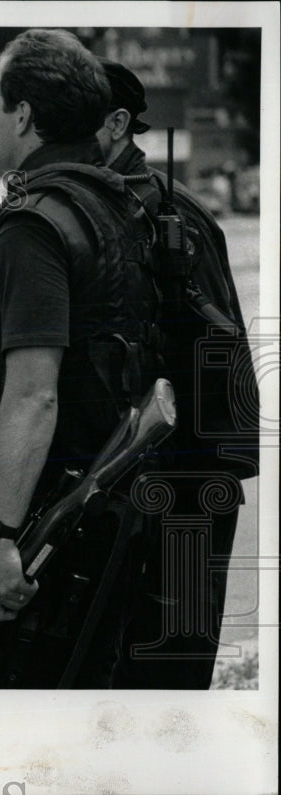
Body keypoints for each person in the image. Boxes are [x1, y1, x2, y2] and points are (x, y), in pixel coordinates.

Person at [0, 29, 163, 687]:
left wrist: (2, 539)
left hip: (53, 528)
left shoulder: (35, 223)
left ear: (23, 115)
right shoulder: (116, 204)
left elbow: (35, 393)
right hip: (111, 513)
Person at [96, 58, 259, 689]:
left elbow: (216, 353)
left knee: (165, 683)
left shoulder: (171, 217)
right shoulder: (114, 205)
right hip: (165, 479)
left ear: (116, 125)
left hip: (185, 483)